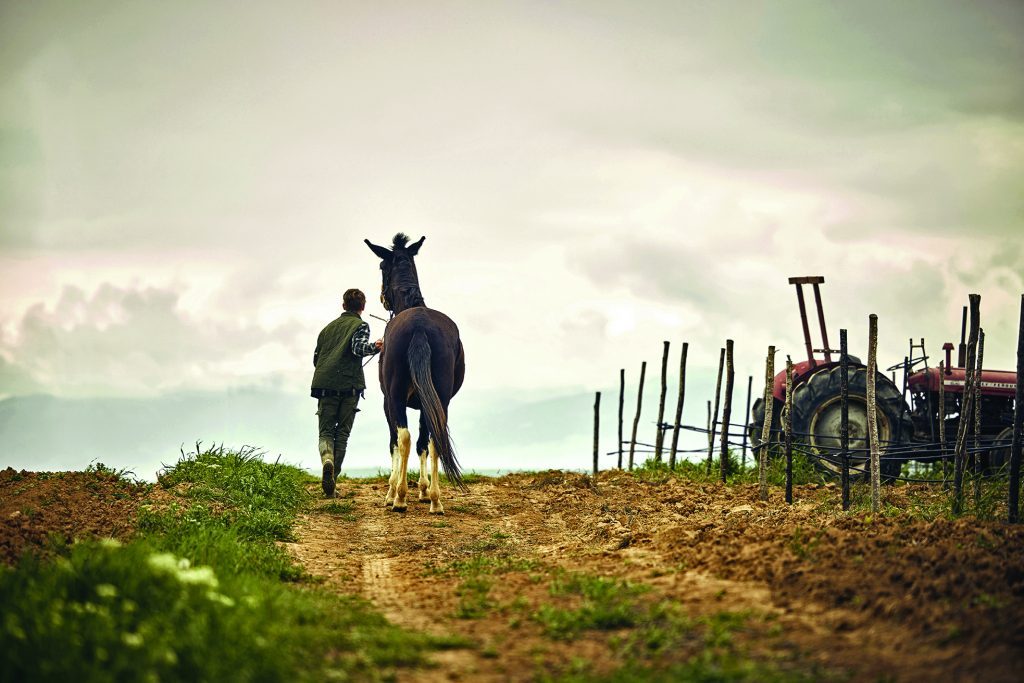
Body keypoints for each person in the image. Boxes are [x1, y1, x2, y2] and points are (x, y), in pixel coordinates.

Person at [311, 288, 383, 497]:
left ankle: (327, 459)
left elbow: (317, 359)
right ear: (363, 307)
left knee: (325, 432)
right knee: (341, 434)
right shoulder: (360, 325)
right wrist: (376, 346)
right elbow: (358, 349)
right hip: (349, 387)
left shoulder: (326, 329)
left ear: (343, 306)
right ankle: (332, 481)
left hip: (324, 386)